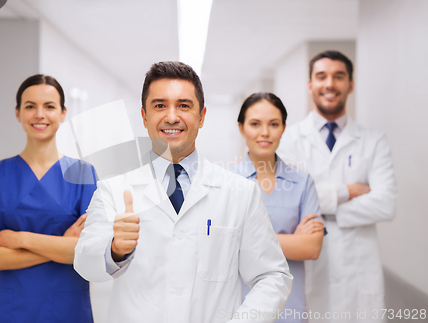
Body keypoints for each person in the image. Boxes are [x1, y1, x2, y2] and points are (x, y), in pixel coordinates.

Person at [74, 61, 292, 323]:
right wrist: (114, 250)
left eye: (184, 105)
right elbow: (84, 263)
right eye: (160, 105)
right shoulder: (114, 189)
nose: (172, 116)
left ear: (202, 117)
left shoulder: (240, 193)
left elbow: (272, 276)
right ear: (144, 116)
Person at [0, 74, 97, 323]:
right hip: (10, 309)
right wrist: (60, 245)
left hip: (67, 307)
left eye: (49, 106)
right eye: (30, 106)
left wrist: (20, 239)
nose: (39, 114)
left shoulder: (83, 175)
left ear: (63, 113)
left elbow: (85, 250)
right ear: (17, 113)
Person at [277, 51, 396, 322]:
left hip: (358, 269)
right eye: (321, 76)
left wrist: (320, 210)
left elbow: (385, 204)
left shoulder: (373, 141)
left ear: (350, 84)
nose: (329, 84)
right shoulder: (288, 140)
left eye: (338, 76)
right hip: (307, 266)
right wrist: (347, 192)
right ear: (310, 85)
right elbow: (288, 202)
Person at [230, 92, 324, 323]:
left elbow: (311, 248)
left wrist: (244, 239)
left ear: (283, 128)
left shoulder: (303, 183)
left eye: (273, 124)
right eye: (255, 124)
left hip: (289, 310)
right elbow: (221, 245)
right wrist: (291, 240)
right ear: (241, 128)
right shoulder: (227, 183)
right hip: (239, 309)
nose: (265, 132)